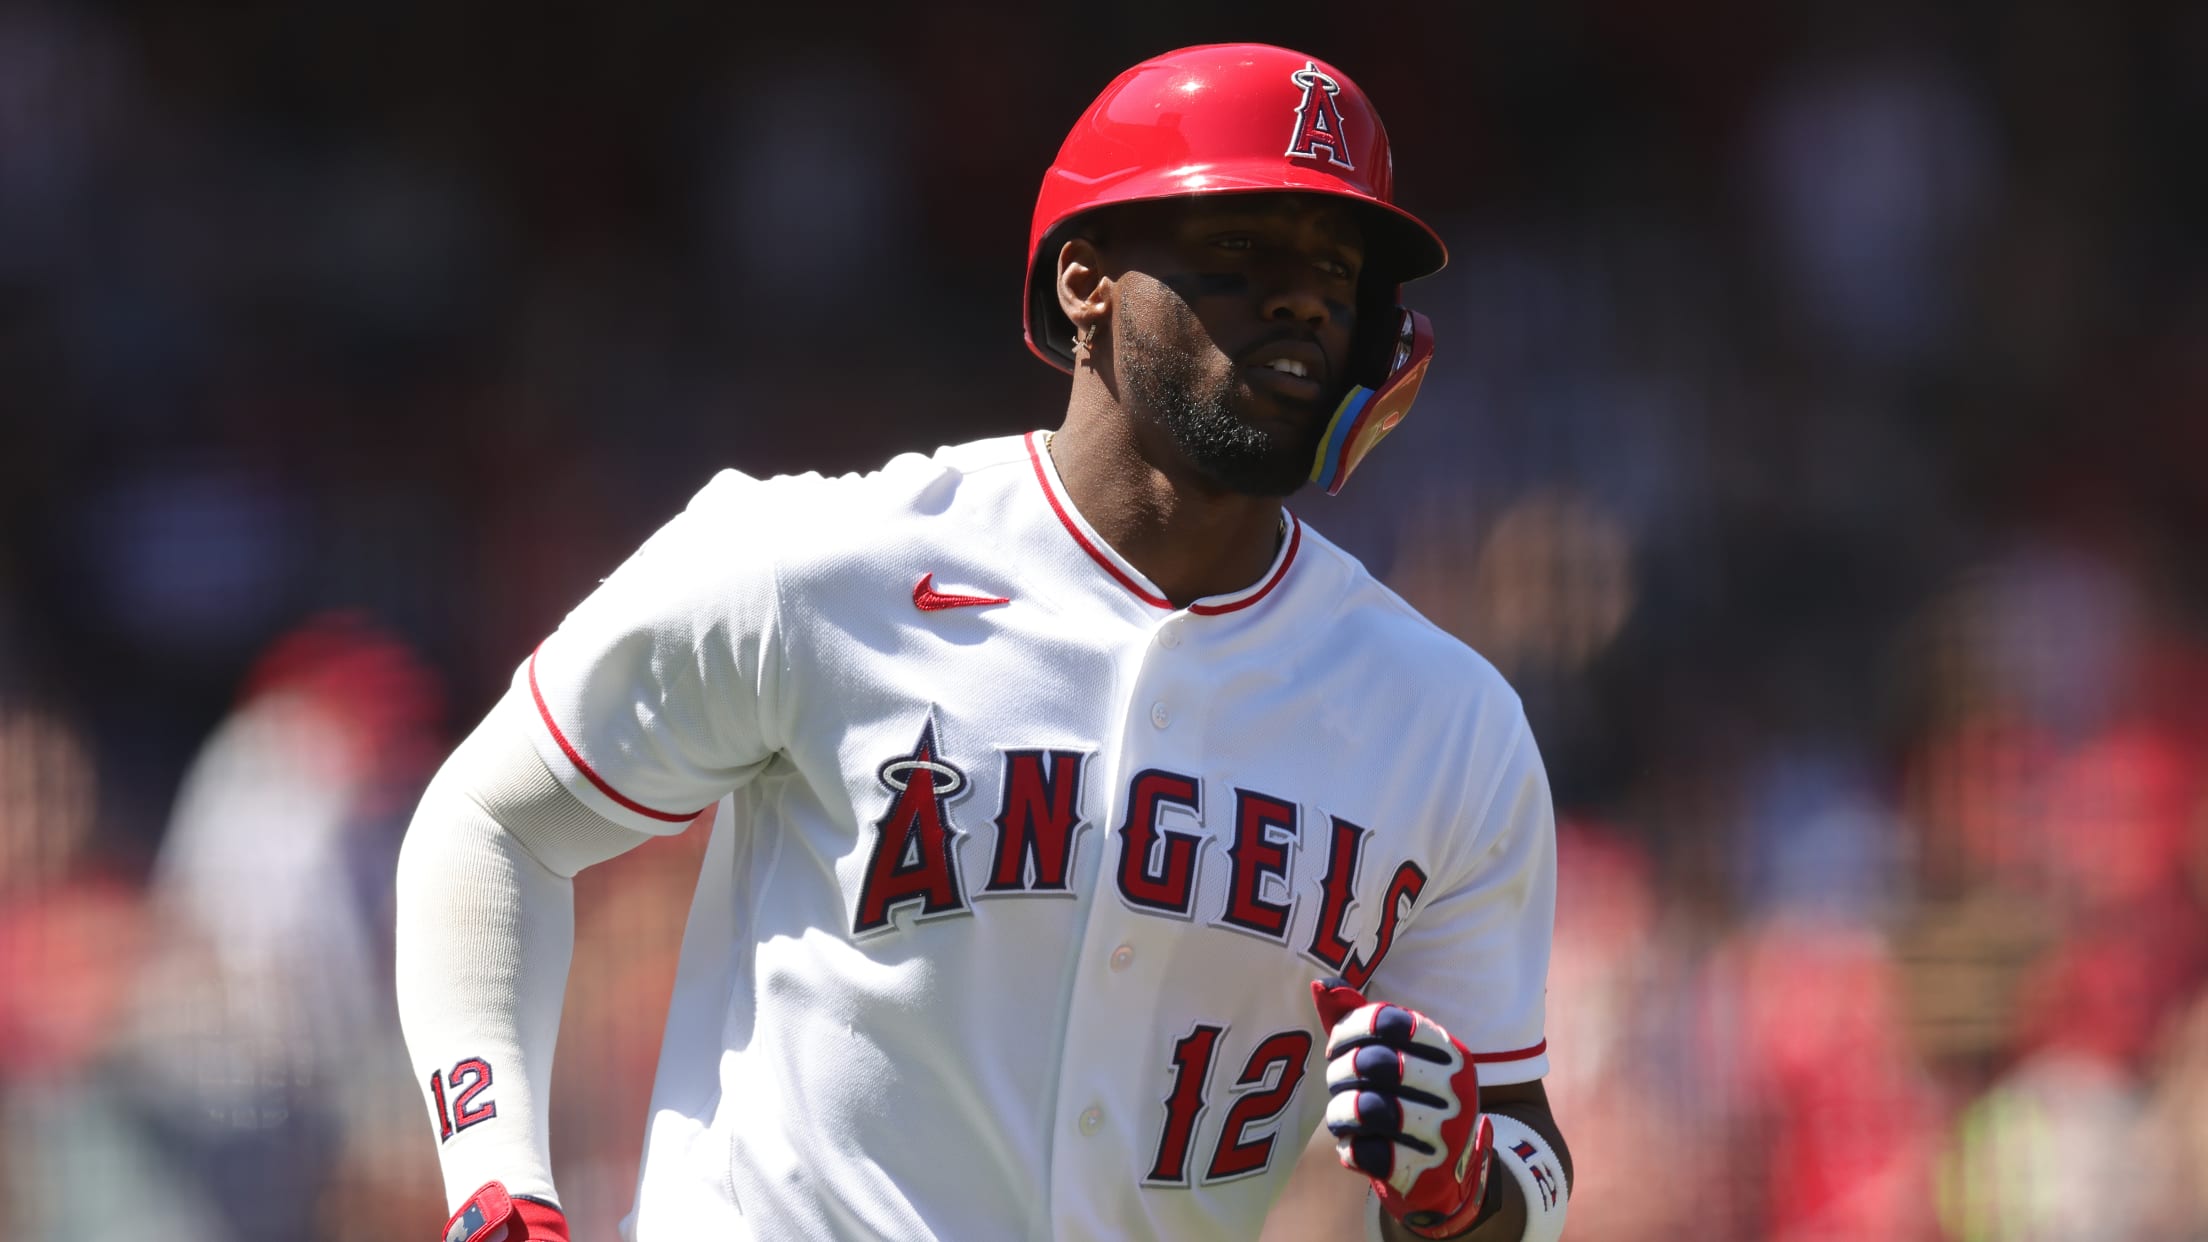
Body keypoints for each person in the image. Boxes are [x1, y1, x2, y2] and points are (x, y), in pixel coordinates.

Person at [396, 42, 1572, 1242]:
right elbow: (491, 824)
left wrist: (1465, 1182)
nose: (1304, 298)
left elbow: (1525, 1148)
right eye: (1241, 247)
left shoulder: (1447, 724)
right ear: (1084, 281)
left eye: (1339, 268)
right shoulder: (820, 565)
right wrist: (496, 1176)